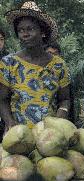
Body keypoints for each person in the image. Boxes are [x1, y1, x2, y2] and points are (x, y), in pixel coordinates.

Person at [0, 1, 71, 133]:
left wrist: (61, 114)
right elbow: (2, 100)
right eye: (20, 30)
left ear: (43, 32)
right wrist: (10, 123)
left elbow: (65, 99)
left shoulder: (58, 65)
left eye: (30, 29)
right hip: (17, 136)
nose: (25, 34)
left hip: (50, 135)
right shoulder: (8, 63)